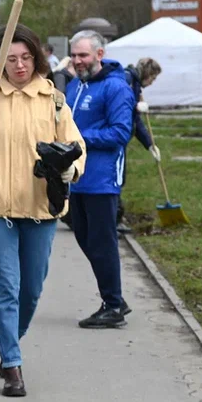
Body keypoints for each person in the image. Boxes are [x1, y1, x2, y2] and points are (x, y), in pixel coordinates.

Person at [0, 24, 86, 396]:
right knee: (6, 288)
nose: (20, 65)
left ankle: (9, 338)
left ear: (36, 58)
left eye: (25, 57)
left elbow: (75, 145)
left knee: (32, 289)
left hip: (40, 207)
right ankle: (12, 362)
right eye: (10, 59)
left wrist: (70, 168)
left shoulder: (53, 100)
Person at [66, 29, 135, 329]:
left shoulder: (116, 88)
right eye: (74, 55)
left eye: (83, 55)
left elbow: (120, 132)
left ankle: (113, 305)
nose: (77, 60)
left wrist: (79, 139)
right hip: (76, 177)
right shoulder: (75, 85)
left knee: (102, 242)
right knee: (84, 237)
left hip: (103, 179)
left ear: (100, 54)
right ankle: (115, 295)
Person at [117, 57, 164, 231]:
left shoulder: (136, 84)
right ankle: (114, 220)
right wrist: (134, 105)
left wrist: (150, 145)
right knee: (117, 178)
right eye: (153, 78)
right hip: (115, 138)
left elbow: (136, 122)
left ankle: (115, 219)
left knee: (120, 178)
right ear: (147, 73)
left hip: (122, 139)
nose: (152, 82)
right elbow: (118, 104)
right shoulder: (127, 79)